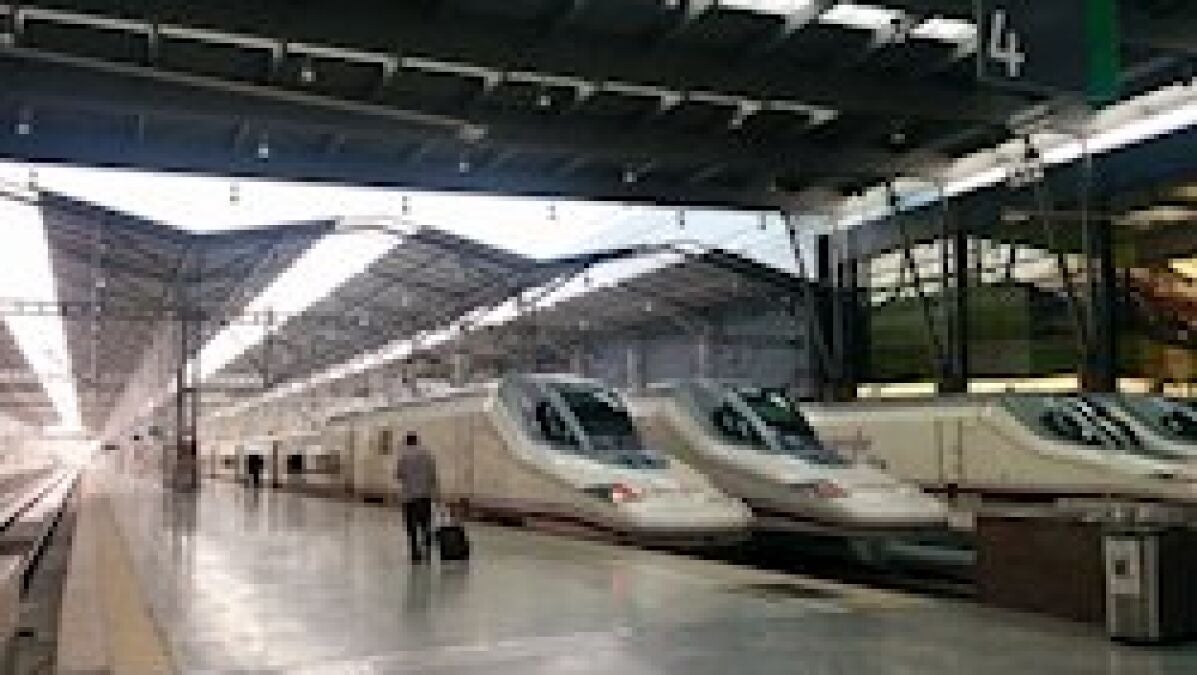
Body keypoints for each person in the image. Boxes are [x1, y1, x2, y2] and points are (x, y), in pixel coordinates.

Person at [395, 432, 438, 562]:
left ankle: (415, 552)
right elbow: (433, 476)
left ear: (407, 442)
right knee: (426, 523)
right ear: (417, 441)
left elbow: (399, 475)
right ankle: (428, 550)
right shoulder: (428, 455)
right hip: (425, 496)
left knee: (411, 525)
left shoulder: (403, 457)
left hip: (409, 497)